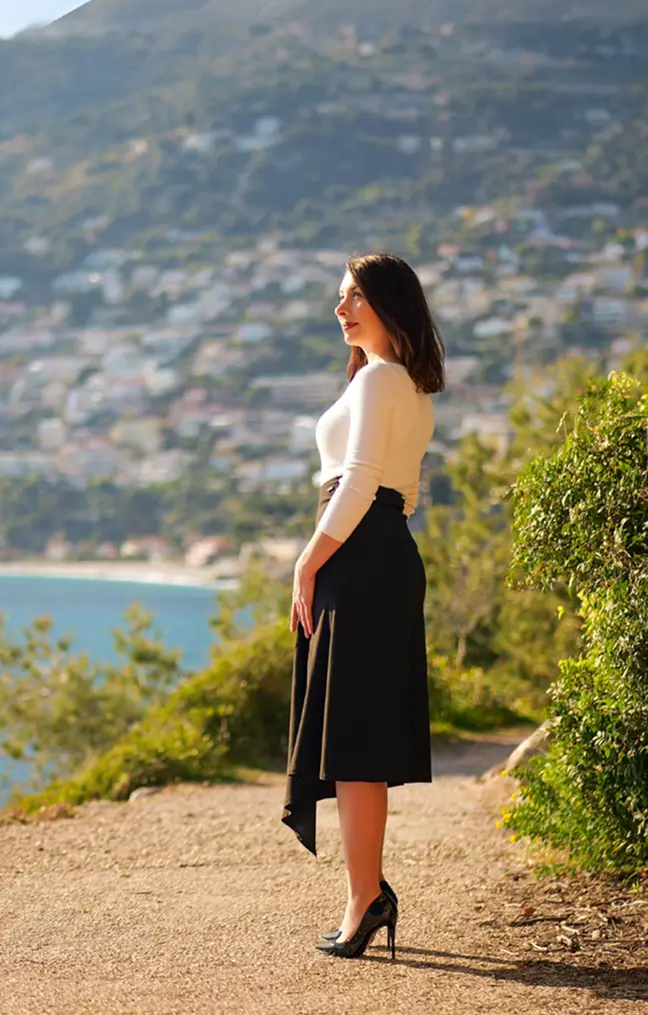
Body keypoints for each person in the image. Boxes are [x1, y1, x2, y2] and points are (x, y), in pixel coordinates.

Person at [281, 251, 445, 960]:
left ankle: (365, 901)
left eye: (354, 296)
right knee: (358, 745)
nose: (341, 309)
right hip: (382, 551)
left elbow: (358, 483)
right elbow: (403, 495)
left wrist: (306, 562)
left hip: (358, 552)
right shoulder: (406, 384)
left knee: (352, 745)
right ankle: (366, 894)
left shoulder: (380, 377)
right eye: (339, 297)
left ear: (387, 301)